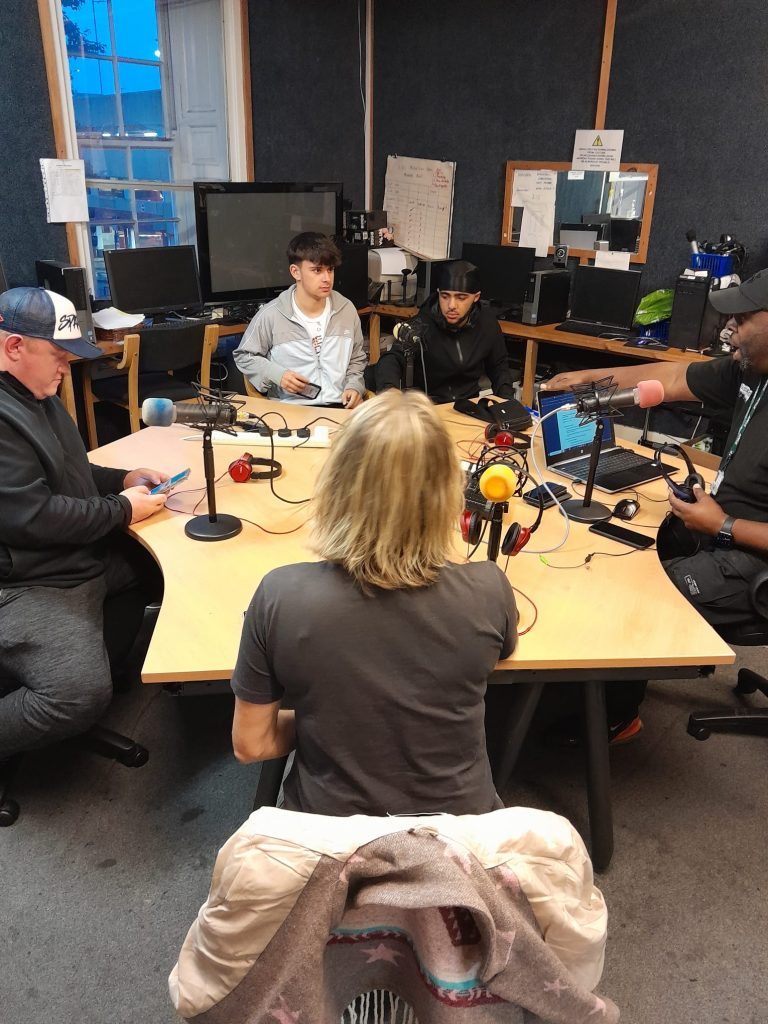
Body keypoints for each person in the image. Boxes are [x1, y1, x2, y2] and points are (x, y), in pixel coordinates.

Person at [230, 389, 518, 816]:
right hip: (459, 836)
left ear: (335, 484)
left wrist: (325, 723)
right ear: (450, 493)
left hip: (331, 835)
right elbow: (498, 658)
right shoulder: (489, 588)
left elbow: (252, 745)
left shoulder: (280, 595)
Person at [541, 267, 768, 737]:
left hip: (752, 558)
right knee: (619, 556)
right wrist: (590, 379)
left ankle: (616, 717)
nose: (730, 328)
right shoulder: (750, 369)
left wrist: (723, 526)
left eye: (743, 319)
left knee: (638, 598)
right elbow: (671, 375)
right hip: (720, 526)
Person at [0, 286, 170, 759]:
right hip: (31, 581)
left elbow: (70, 472)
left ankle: (106, 659)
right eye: (58, 356)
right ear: (15, 346)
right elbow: (34, 517)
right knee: (76, 696)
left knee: (163, 569)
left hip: (73, 557)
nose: (66, 367)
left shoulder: (37, 394)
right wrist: (122, 509)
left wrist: (123, 479)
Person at [233, 232, 366, 408]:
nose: (327, 278)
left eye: (330, 269)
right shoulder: (272, 314)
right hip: (290, 408)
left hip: (340, 407)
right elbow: (244, 356)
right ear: (295, 272)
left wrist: (354, 386)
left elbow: (357, 359)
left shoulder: (346, 309)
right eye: (317, 270)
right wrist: (277, 375)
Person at [374, 259, 519, 403]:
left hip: (468, 405)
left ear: (476, 297)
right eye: (445, 296)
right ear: (438, 293)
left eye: (461, 298)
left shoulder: (487, 322)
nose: (451, 305)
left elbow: (499, 367)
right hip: (430, 406)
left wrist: (507, 404)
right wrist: (390, 391)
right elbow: (391, 359)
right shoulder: (423, 323)